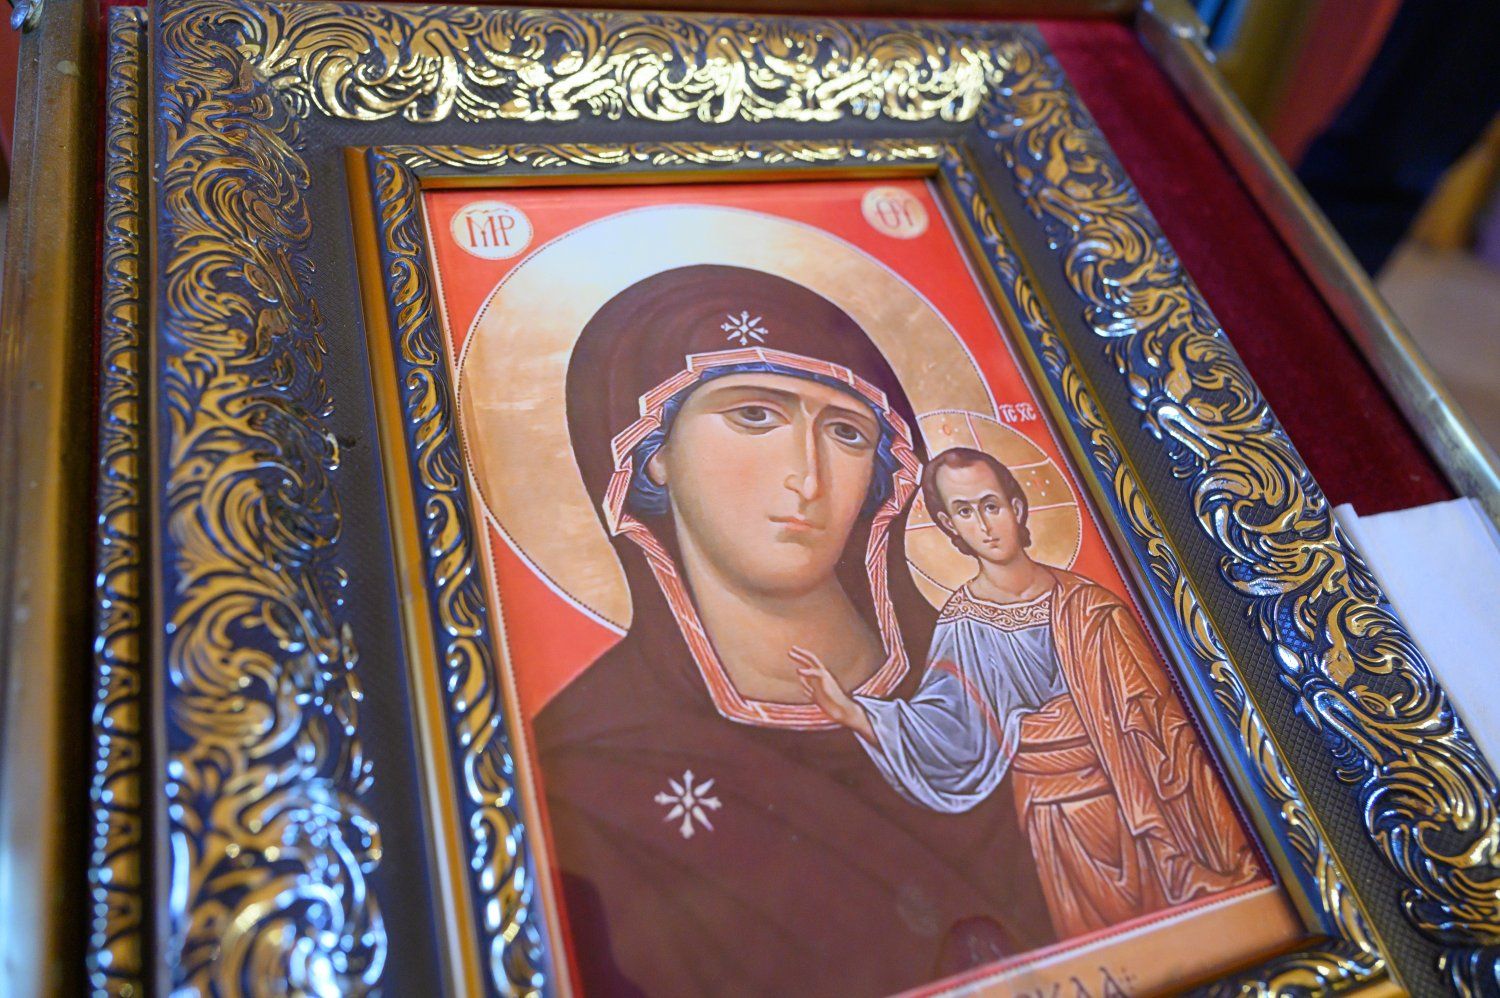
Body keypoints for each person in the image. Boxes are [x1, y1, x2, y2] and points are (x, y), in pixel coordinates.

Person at [534, 266, 1054, 996]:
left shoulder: (999, 674)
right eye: (754, 415)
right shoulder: (590, 777)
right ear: (653, 453)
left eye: (846, 433)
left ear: (886, 478)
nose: (808, 478)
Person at [798, 447, 1260, 940]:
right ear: (949, 526)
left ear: (1016, 508)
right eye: (964, 512)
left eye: (990, 505)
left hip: (1142, 803)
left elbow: (1167, 725)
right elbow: (947, 725)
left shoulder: (1091, 607)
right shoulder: (963, 624)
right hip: (1055, 816)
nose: (984, 525)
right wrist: (854, 712)